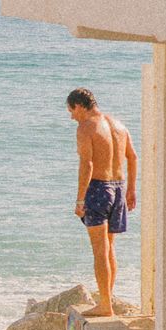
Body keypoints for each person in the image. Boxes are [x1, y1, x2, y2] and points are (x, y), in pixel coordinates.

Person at [68, 87, 135, 317]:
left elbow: (86, 164)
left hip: (98, 188)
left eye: (71, 111)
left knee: (99, 250)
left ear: (79, 105)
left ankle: (105, 305)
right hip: (119, 186)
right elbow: (132, 157)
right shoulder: (119, 125)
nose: (71, 117)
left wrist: (79, 199)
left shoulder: (85, 127)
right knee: (109, 248)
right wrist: (131, 190)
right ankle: (107, 300)